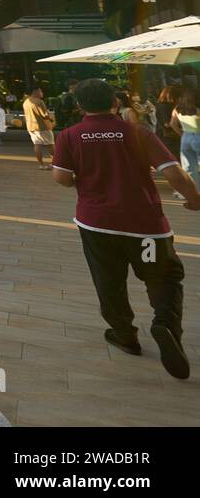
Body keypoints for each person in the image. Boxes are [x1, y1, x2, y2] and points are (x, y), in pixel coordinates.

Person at [52, 78, 200, 379]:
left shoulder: (69, 135)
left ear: (80, 106)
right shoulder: (137, 132)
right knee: (162, 278)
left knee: (108, 280)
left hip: (96, 225)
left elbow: (62, 178)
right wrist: (195, 200)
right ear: (115, 103)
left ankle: (125, 335)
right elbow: (173, 172)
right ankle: (164, 324)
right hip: (145, 226)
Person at [170, 91, 200, 192]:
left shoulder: (177, 109)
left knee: (189, 167)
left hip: (185, 137)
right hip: (198, 136)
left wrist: (182, 134)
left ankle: (194, 191)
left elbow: (172, 124)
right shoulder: (197, 110)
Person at [23, 87, 55, 169]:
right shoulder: (39, 101)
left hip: (31, 127)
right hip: (42, 127)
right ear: (35, 92)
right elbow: (45, 115)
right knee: (50, 144)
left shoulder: (26, 102)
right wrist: (52, 119)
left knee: (37, 145)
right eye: (41, 91)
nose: (42, 93)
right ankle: (55, 164)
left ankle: (41, 164)